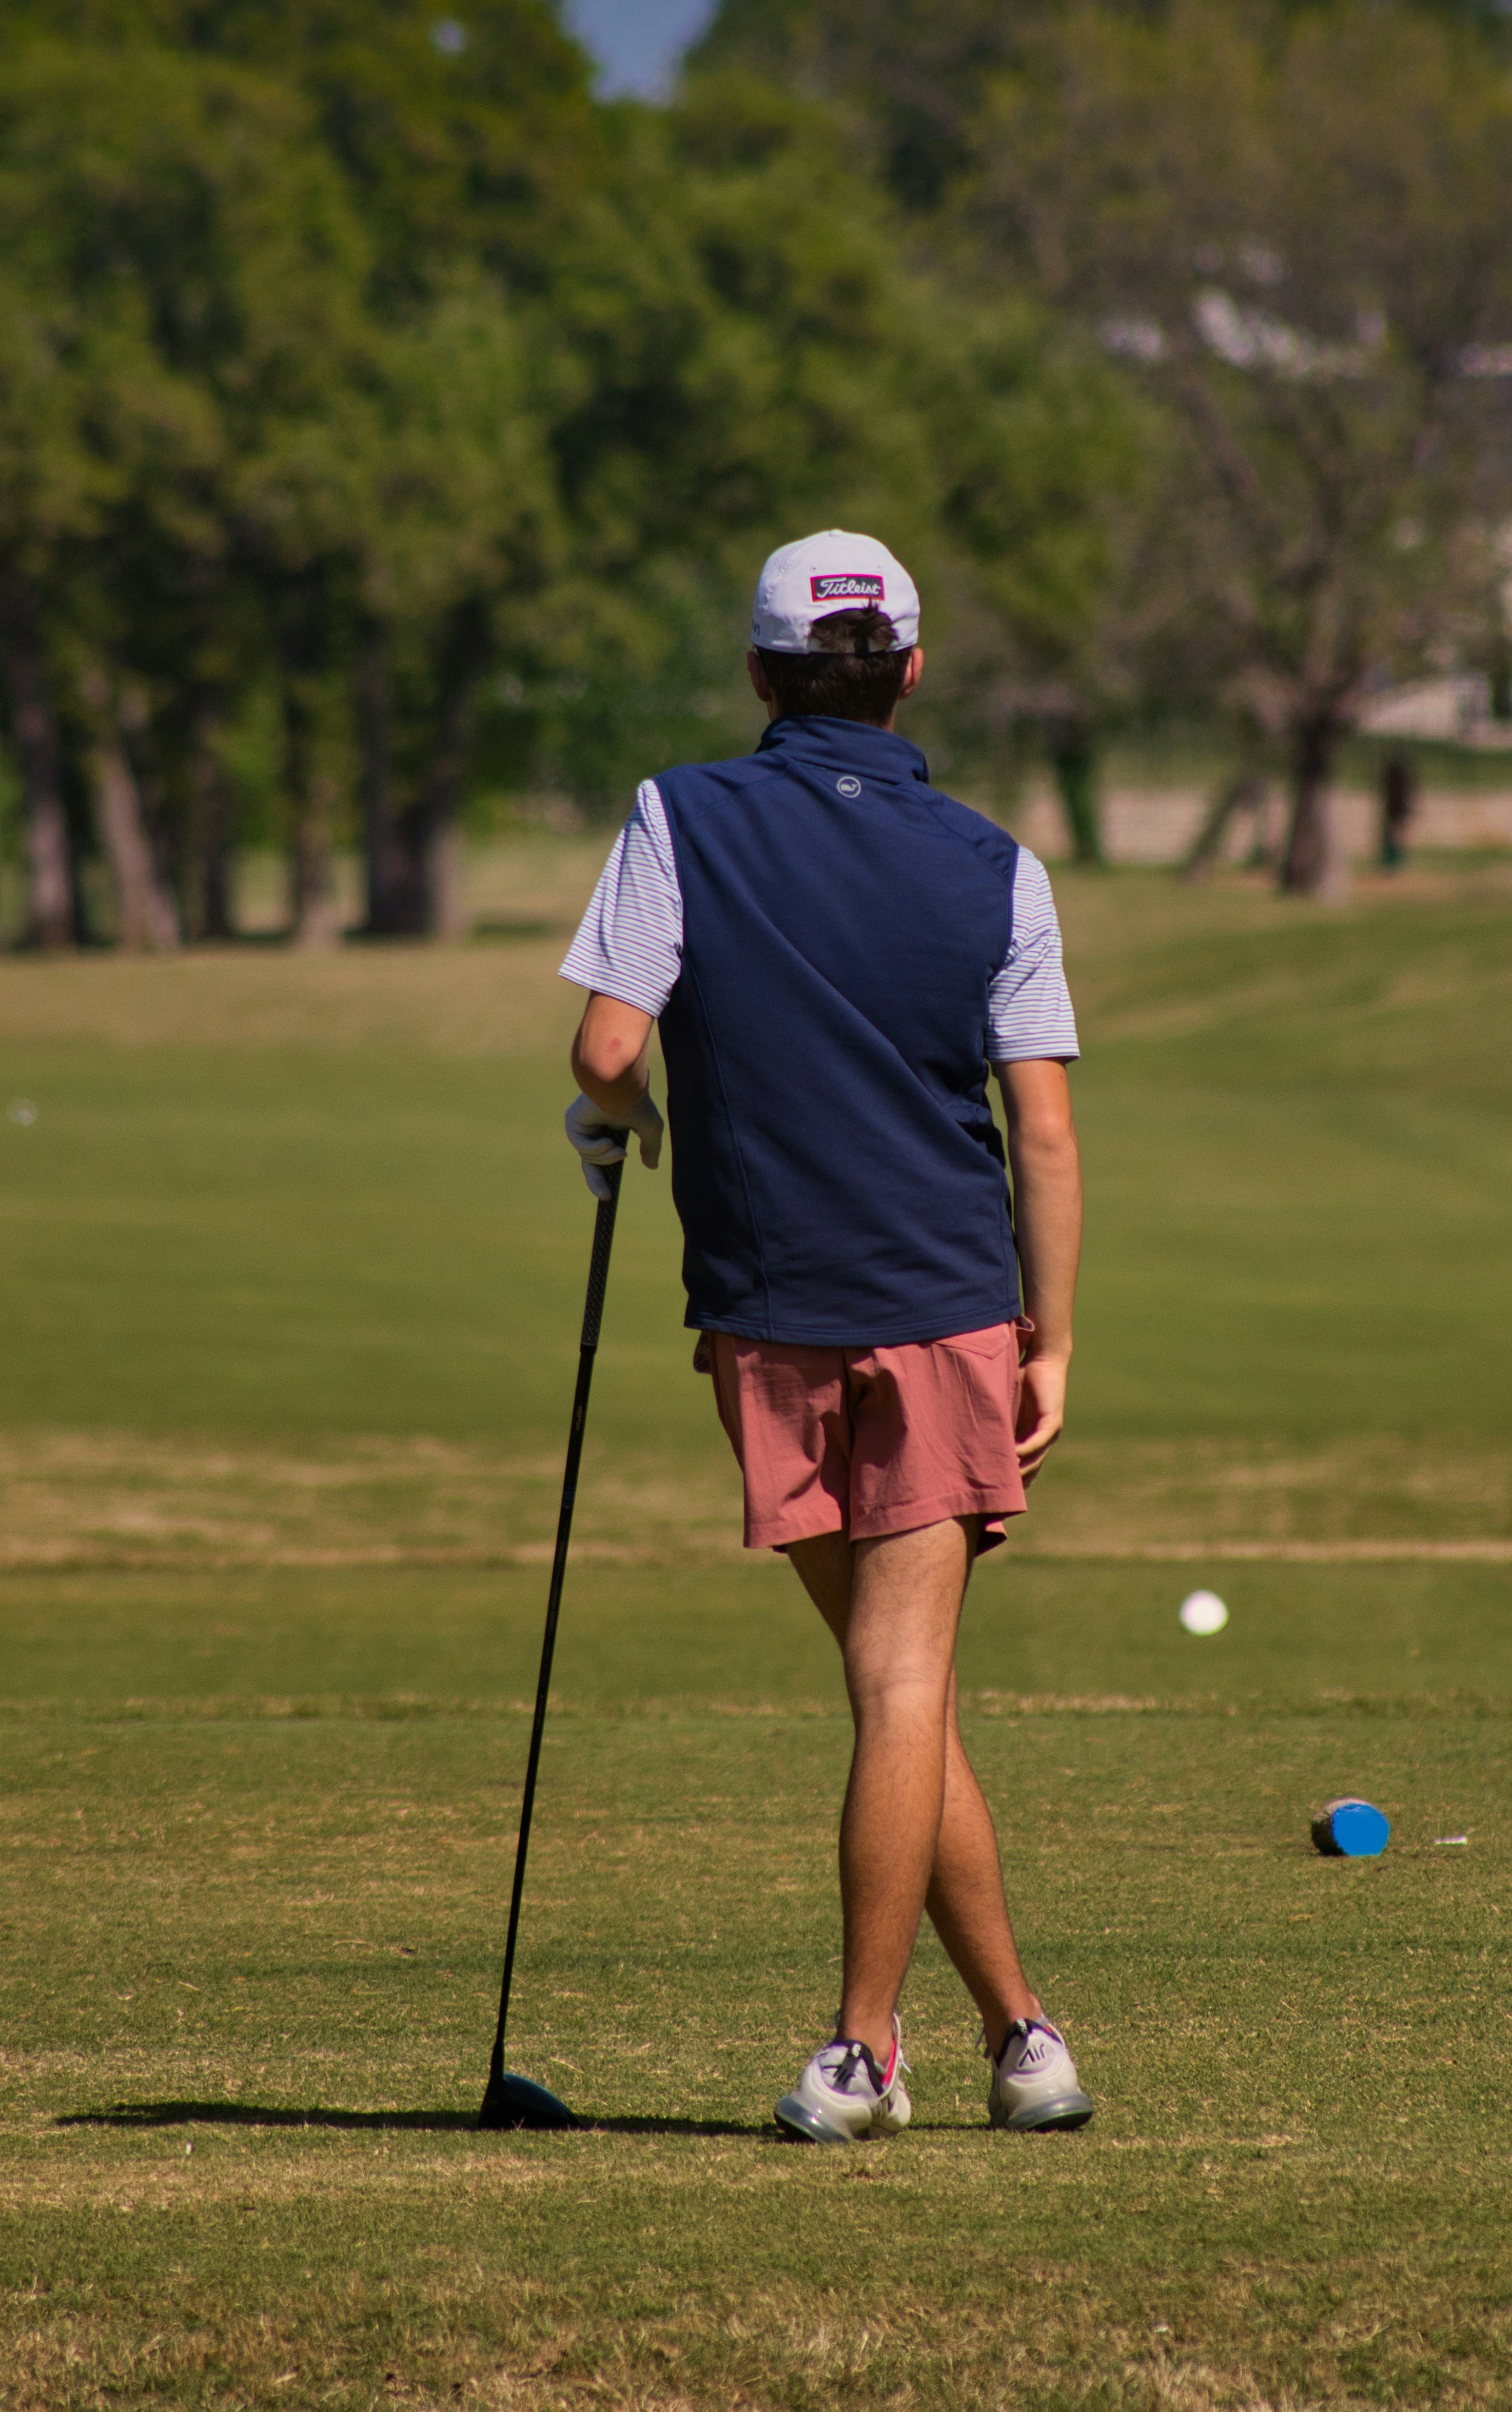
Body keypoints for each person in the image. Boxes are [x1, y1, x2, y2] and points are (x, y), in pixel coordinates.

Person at [557, 530, 1092, 2144]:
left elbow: (602, 1045)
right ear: (911, 672)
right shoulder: (1000, 862)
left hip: (767, 1317)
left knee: (891, 1687)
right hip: (947, 1308)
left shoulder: (680, 814)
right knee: (904, 1689)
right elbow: (1045, 1134)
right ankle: (1016, 2036)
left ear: (761, 675)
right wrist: (1050, 1343)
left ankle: (876, 2052)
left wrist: (617, 1118)